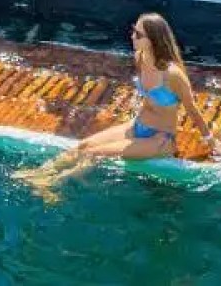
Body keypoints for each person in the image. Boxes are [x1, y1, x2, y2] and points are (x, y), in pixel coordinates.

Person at [13, 13, 209, 197]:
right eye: (133, 30)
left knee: (94, 153)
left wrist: (210, 142)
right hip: (137, 126)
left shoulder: (172, 74)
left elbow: (193, 110)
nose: (132, 36)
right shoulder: (140, 58)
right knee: (84, 145)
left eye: (138, 34)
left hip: (160, 139)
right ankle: (40, 172)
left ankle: (52, 184)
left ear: (153, 40)